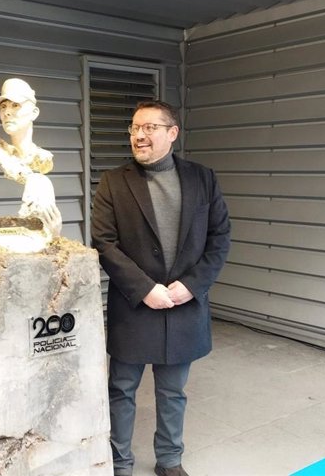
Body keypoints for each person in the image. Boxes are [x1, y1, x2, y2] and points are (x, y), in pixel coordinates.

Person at [91, 100, 231, 476]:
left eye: (150, 127)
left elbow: (220, 238)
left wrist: (191, 285)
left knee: (173, 392)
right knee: (121, 389)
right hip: (135, 306)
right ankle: (119, 463)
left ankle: (169, 460)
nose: (139, 135)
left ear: (172, 133)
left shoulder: (203, 179)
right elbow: (104, 243)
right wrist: (144, 288)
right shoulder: (114, 182)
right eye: (135, 128)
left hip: (184, 305)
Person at [0, 77, 62, 239]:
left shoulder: (43, 161)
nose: (7, 112)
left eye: (15, 105)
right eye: (3, 106)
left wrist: (54, 234)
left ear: (34, 113)